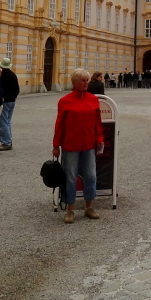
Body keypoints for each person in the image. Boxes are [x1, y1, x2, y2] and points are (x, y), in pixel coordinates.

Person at [52, 68, 104, 223]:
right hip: (70, 144)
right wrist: (56, 145)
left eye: (87, 80)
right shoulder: (65, 101)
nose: (86, 83)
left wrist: (99, 138)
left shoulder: (93, 99)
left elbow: (97, 122)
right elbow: (59, 124)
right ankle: (70, 209)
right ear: (74, 82)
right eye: (83, 80)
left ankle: (89, 206)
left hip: (89, 143)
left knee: (91, 175)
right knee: (70, 177)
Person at [0, 58, 19, 151]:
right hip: (12, 101)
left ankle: (6, 143)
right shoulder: (13, 74)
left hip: (4, 101)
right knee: (8, 121)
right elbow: (17, 89)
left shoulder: (1, 76)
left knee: (3, 122)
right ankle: (8, 140)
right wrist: (13, 97)